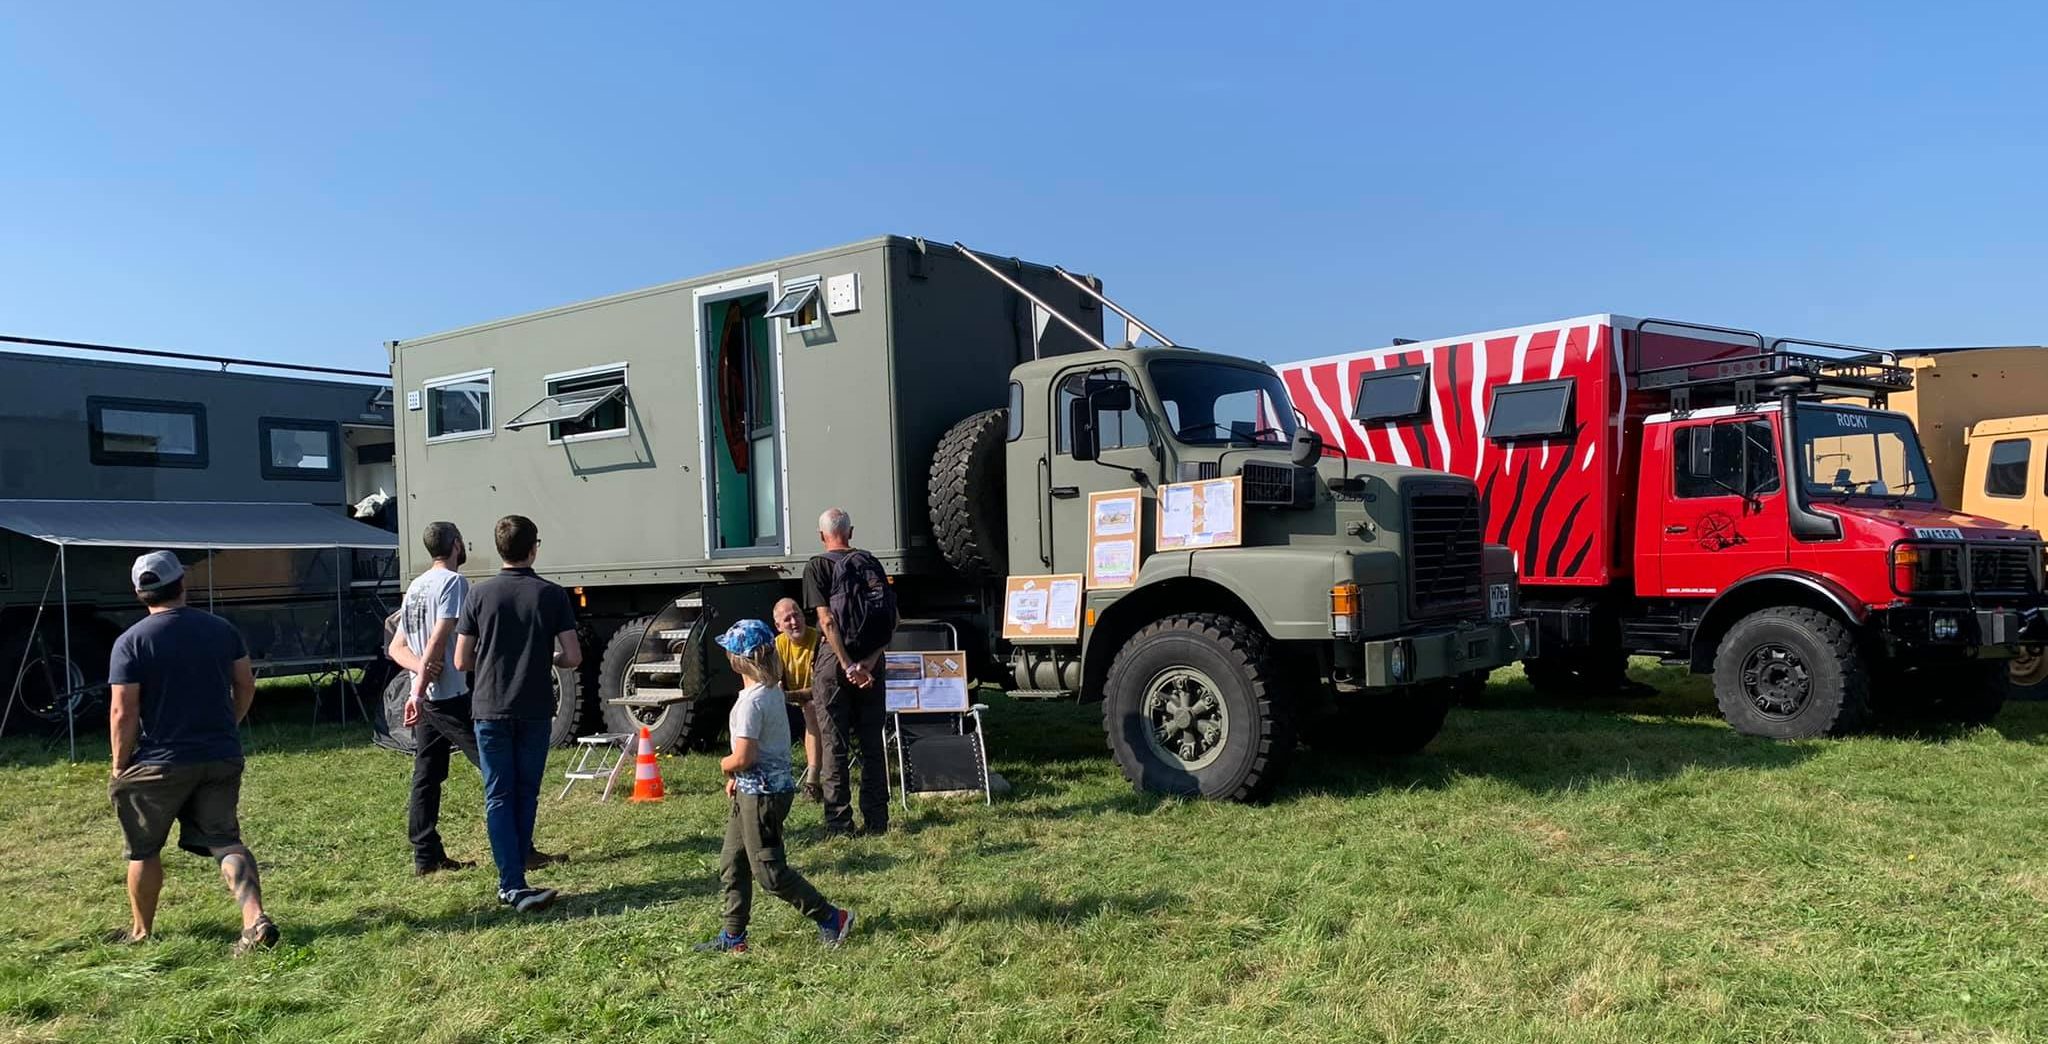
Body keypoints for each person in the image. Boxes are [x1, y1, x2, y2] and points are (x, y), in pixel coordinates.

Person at [106, 551, 278, 954]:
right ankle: (254, 919)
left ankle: (142, 932)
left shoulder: (130, 642)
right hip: (219, 755)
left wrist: (119, 765)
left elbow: (122, 711)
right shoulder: (221, 629)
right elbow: (246, 685)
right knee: (225, 842)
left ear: (138, 592)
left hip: (159, 763)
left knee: (144, 850)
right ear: (182, 583)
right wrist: (228, 725)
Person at [694, 619, 854, 953]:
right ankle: (734, 937)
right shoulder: (770, 692)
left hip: (761, 797)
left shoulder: (751, 703)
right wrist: (738, 779)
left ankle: (832, 918)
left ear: (737, 660)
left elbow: (744, 756)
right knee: (732, 862)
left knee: (769, 872)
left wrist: (726, 767)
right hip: (756, 790)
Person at [454, 515, 581, 913]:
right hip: (535, 706)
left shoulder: (478, 594)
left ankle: (510, 881)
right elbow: (573, 657)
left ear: (499, 548)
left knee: (498, 794)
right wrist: (547, 655)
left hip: (490, 707)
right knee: (527, 792)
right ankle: (519, 868)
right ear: (534, 548)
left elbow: (461, 660)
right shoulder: (553, 595)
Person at [802, 508, 897, 837]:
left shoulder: (818, 566)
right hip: (873, 662)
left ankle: (839, 823)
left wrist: (846, 664)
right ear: (851, 533)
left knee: (835, 744)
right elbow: (891, 619)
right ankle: (877, 820)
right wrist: (869, 662)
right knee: (872, 743)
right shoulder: (870, 562)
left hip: (834, 663)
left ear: (821, 535)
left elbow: (826, 621)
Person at [772, 597, 824, 802]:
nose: (794, 622)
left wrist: (786, 695)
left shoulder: (819, 640)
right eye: (787, 619)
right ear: (778, 626)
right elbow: (772, 682)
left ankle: (812, 781)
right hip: (788, 700)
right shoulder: (777, 645)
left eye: (797, 615)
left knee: (811, 708)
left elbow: (820, 689)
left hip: (816, 700)